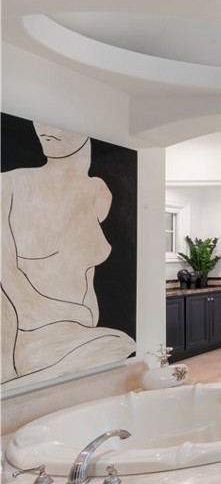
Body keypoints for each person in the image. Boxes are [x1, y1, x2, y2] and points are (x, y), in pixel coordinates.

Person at [2, 122, 135, 387]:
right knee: (119, 346)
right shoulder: (9, 185)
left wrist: (81, 324)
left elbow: (84, 279)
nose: (45, 127)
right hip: (31, 338)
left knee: (121, 346)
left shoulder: (98, 192)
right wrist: (73, 318)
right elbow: (5, 277)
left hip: (78, 333)